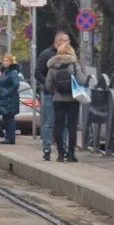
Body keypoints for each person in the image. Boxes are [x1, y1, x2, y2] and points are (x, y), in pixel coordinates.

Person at [44, 36, 87, 162]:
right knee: (72, 127)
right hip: (73, 99)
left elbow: (47, 85)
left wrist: (56, 91)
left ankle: (60, 154)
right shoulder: (74, 65)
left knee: (58, 126)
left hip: (58, 100)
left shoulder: (52, 66)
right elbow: (82, 81)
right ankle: (71, 155)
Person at [35, 30, 69, 161]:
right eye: (65, 41)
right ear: (58, 41)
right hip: (51, 94)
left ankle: (63, 149)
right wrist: (50, 85)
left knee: (64, 123)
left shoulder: (69, 55)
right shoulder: (46, 54)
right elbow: (38, 73)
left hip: (66, 94)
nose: (68, 43)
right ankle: (47, 148)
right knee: (49, 122)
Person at [0, 55, 22, 145]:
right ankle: (8, 137)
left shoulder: (13, 72)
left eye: (7, 61)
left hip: (10, 98)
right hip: (3, 98)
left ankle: (10, 138)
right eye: (4, 60)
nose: (5, 62)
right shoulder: (4, 72)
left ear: (11, 62)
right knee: (6, 118)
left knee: (9, 118)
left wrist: (7, 92)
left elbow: (16, 84)